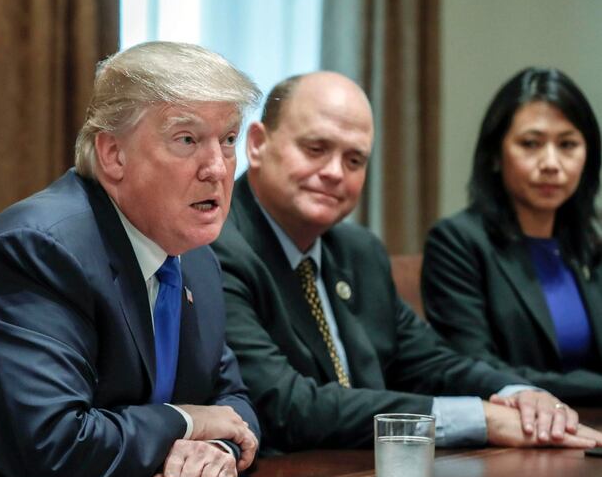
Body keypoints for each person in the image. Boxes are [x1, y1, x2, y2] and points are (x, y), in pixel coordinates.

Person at [0, 42, 262, 477]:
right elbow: (54, 447)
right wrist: (185, 423)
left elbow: (232, 401)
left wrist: (216, 449)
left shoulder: (194, 256)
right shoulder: (41, 250)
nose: (218, 168)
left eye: (227, 139)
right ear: (113, 155)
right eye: (187, 140)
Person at [210, 71, 602, 452]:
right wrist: (482, 420)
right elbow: (286, 406)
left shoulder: (358, 250)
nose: (333, 172)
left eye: (354, 160)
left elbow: (431, 362)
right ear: (258, 144)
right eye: (315, 149)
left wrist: (517, 393)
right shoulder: (218, 249)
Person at [422, 68, 602, 405]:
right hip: (512, 437)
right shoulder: (457, 242)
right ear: (494, 154)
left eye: (568, 145)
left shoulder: (591, 245)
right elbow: (476, 365)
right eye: (531, 144)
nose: (551, 163)